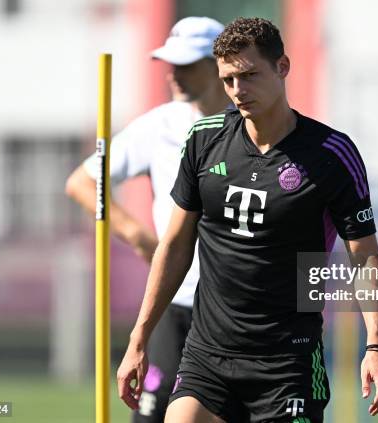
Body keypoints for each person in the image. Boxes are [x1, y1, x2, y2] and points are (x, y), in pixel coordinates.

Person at [116, 17, 378, 423]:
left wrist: (377, 345)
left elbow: (365, 256)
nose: (237, 91)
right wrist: (138, 338)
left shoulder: (332, 153)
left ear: (282, 67)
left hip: (287, 362)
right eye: (228, 79)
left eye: (249, 75)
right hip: (207, 355)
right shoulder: (204, 140)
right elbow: (175, 245)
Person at [65, 16, 230, 423]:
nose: (173, 73)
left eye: (186, 63)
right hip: (173, 305)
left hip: (235, 309)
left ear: (217, 65)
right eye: (170, 63)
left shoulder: (249, 124)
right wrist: (137, 235)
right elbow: (83, 182)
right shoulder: (160, 126)